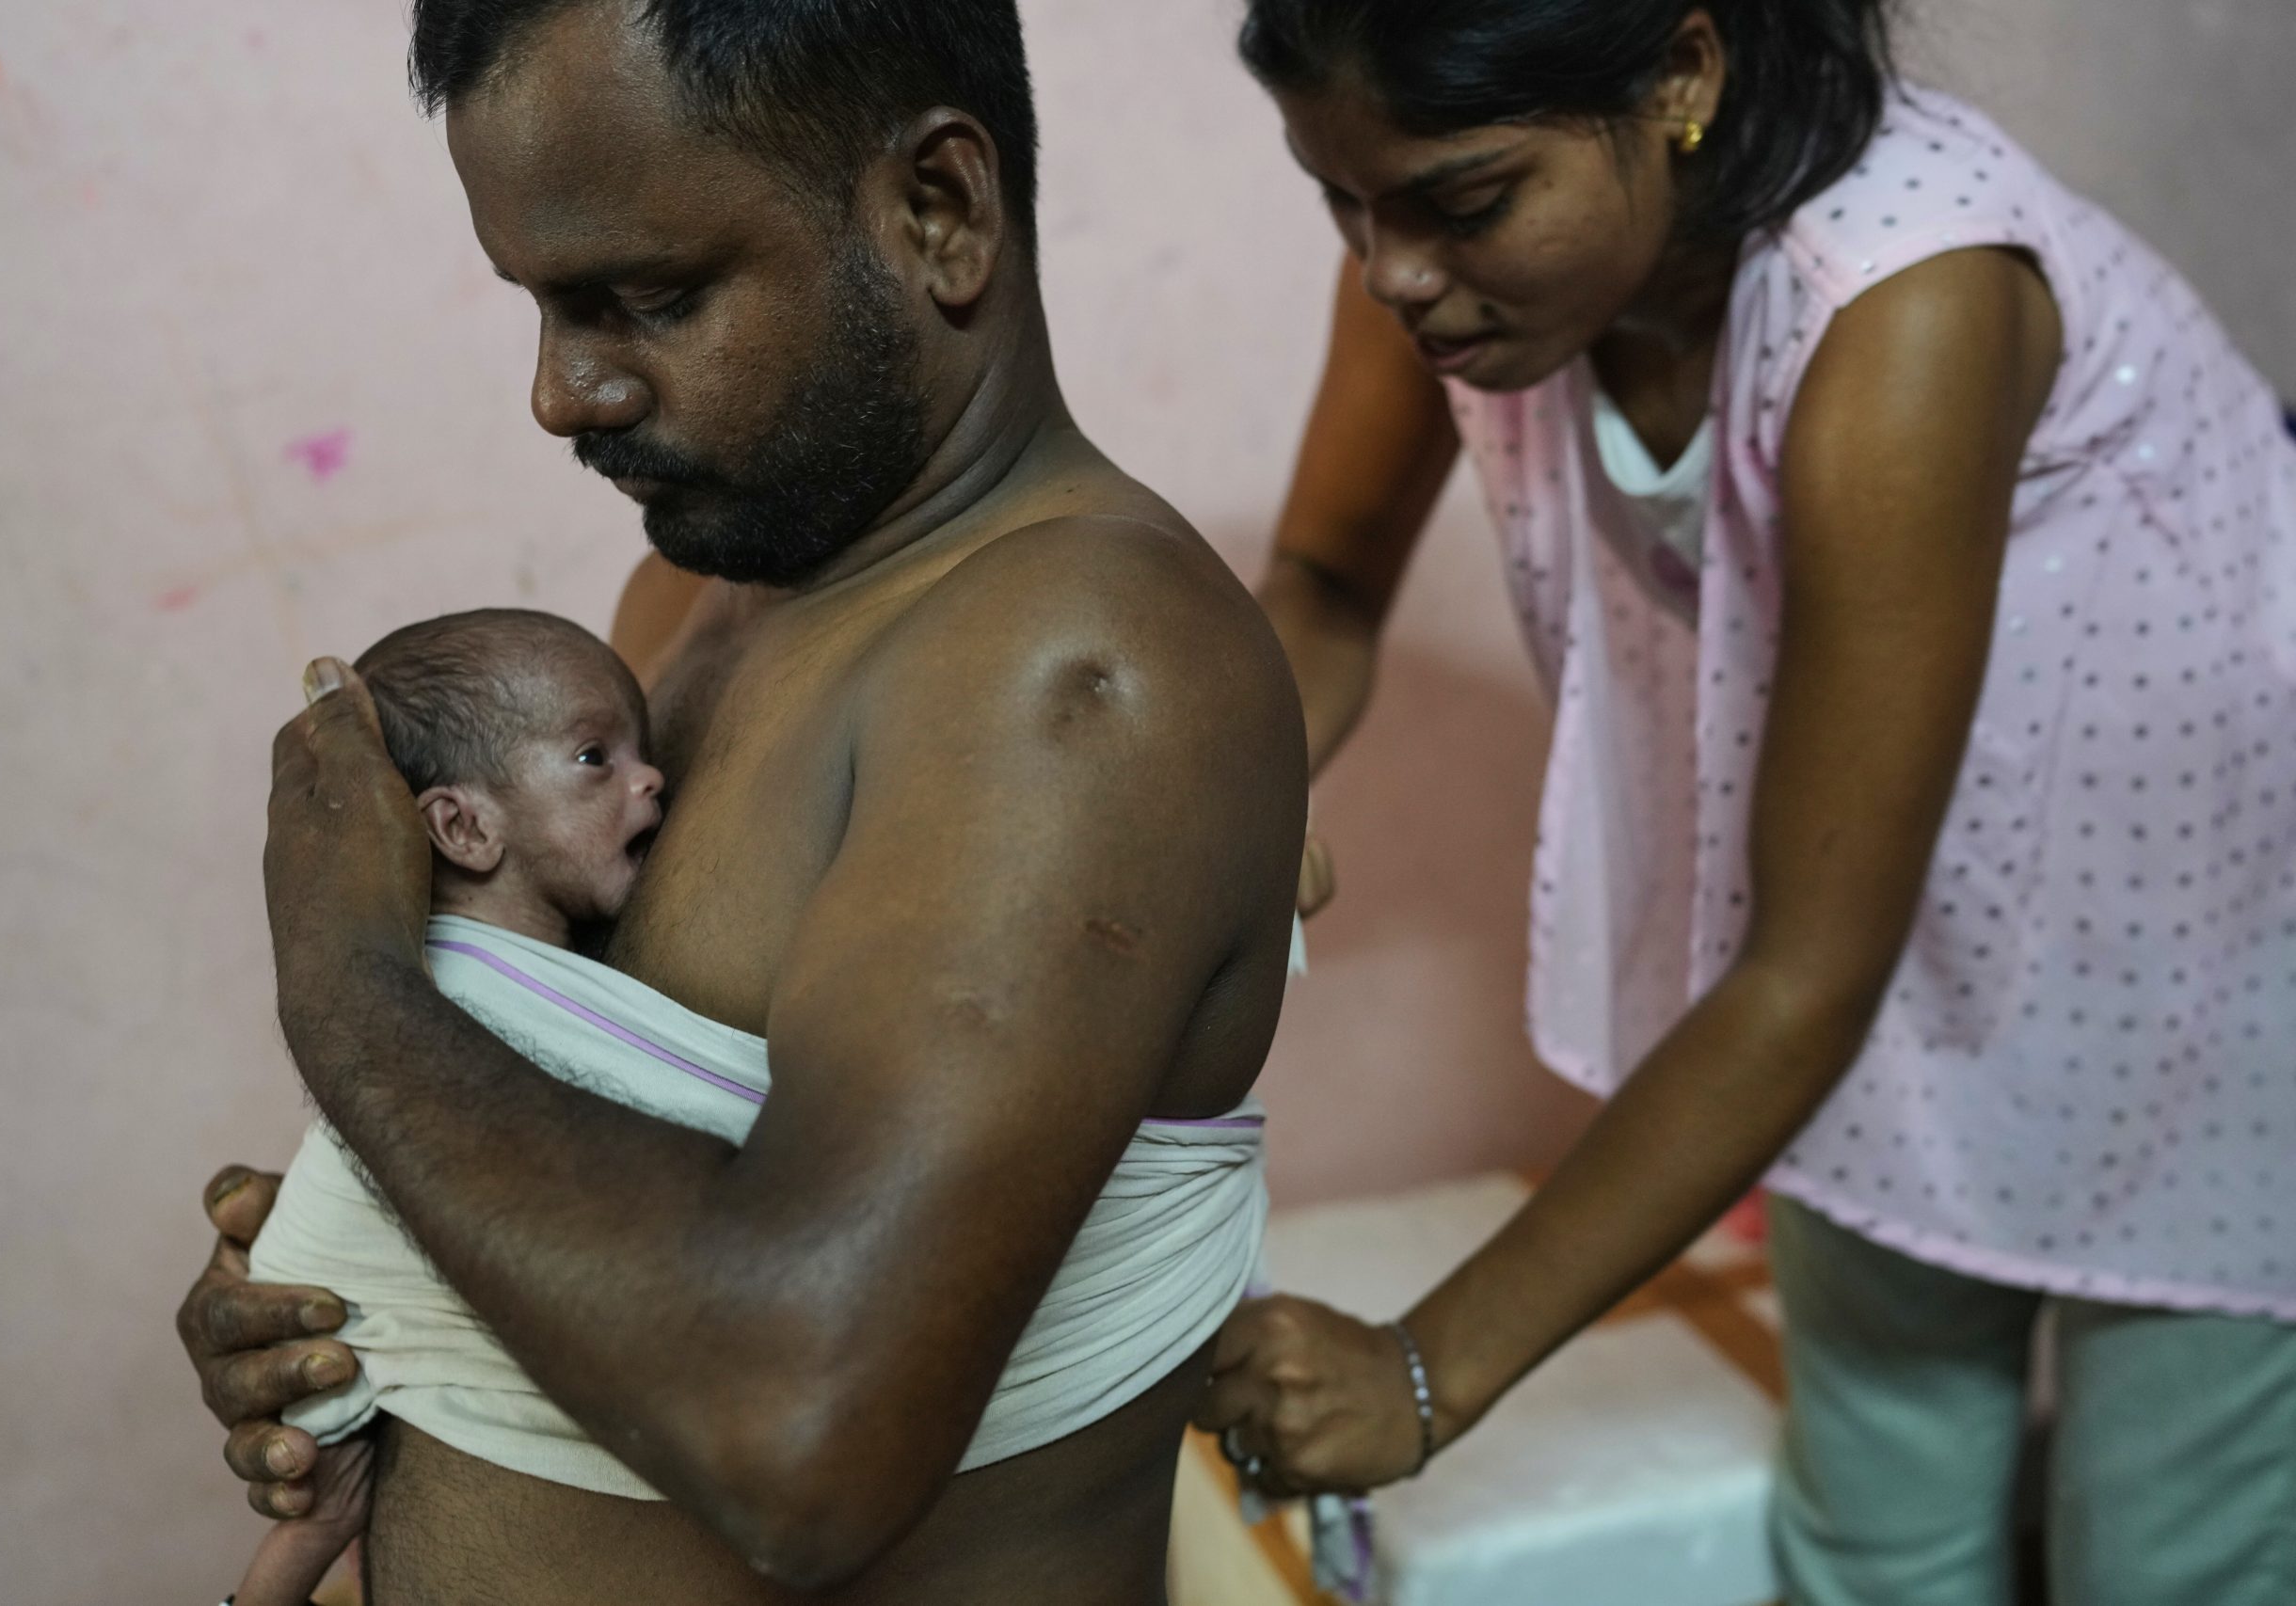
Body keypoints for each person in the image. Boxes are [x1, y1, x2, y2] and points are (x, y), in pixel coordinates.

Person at [174, 1, 1310, 1602]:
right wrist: (357, 1286)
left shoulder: (1077, 667)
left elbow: (803, 1425)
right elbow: (600, 1175)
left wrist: (350, 1002)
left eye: (645, 299)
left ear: (941, 210)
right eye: (542, 308)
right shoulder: (699, 602)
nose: (562, 395)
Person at [1194, 3, 2296, 1602]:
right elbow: (1324, 580)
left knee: (2172, 1549)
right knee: (1877, 1533)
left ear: (1682, 81)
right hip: (1880, 932)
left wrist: (1425, 1370)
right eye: (1342, 202)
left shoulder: (1901, 307)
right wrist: (1231, 807)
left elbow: (1798, 979)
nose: (1392, 271)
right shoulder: (1443, 254)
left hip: (2209, 949)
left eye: (1463, 200)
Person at [230, 607, 665, 1605]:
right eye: (596, 756)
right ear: (464, 827)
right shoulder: (468, 1002)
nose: (649, 780)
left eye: (642, 752)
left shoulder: (508, 991)